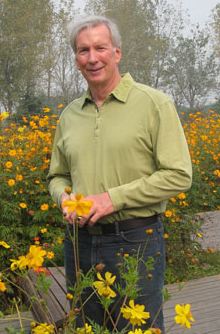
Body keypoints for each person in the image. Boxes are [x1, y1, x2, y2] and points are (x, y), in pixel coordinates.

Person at [47, 15, 192, 332]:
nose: (92, 57)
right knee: (87, 327)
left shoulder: (154, 104)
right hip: (79, 242)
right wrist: (64, 198)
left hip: (135, 240)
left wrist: (113, 199)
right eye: (83, 50)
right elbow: (56, 176)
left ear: (117, 52)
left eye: (100, 47)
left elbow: (179, 174)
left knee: (137, 328)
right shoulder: (69, 115)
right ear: (76, 59)